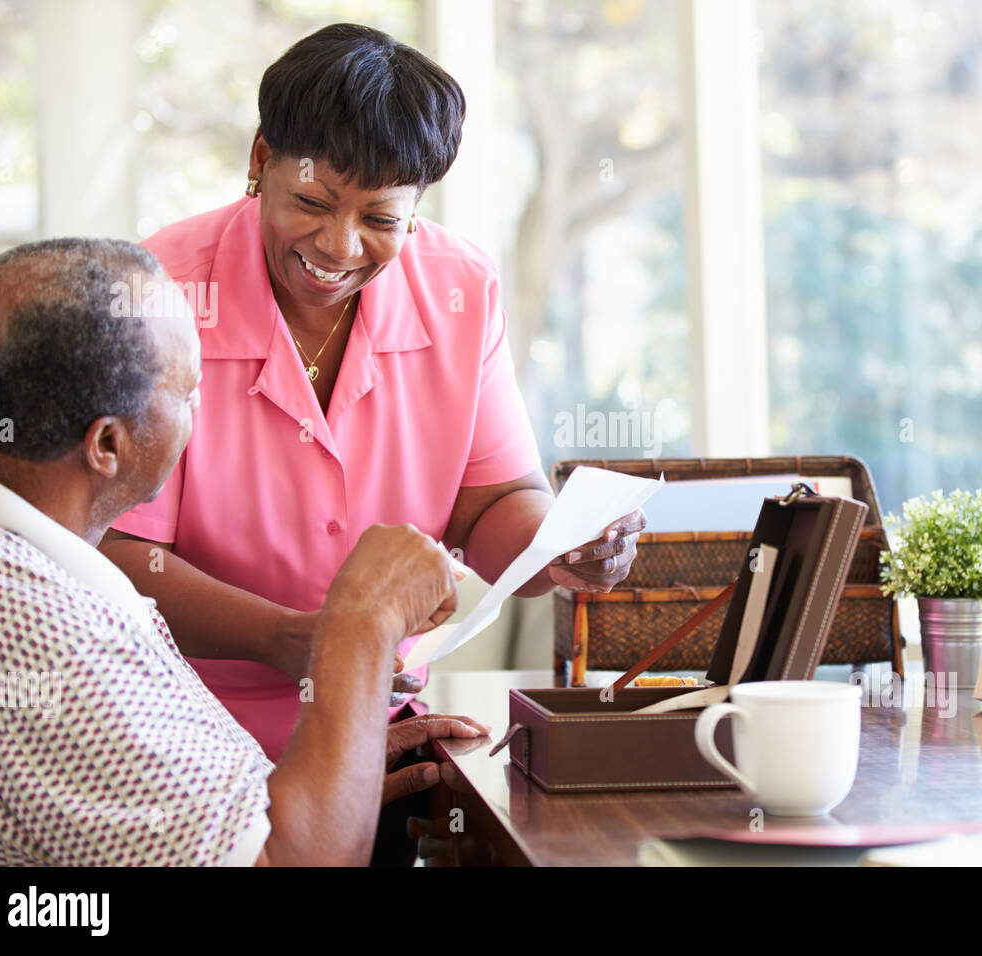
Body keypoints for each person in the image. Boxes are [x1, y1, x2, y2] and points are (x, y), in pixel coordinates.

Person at [98, 23, 644, 763]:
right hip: (182, 737)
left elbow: (490, 503)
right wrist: (288, 639)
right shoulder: (161, 289)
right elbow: (115, 550)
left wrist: (558, 551)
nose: (340, 246)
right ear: (261, 160)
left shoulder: (460, 291)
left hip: (376, 726)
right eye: (313, 202)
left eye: (382, 219)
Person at [0, 238, 485, 865]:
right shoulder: (45, 636)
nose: (200, 409)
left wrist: (333, 776)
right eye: (186, 394)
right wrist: (364, 618)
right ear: (107, 445)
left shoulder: (18, 565)